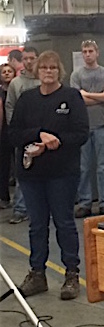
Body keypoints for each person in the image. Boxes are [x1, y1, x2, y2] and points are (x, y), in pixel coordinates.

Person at [9, 50, 89, 300]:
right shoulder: (26, 99)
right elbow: (13, 133)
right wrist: (38, 134)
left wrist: (57, 141)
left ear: (59, 71)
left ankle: (71, 274)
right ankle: (37, 273)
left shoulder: (71, 97)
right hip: (32, 174)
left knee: (64, 223)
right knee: (36, 225)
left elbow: (81, 133)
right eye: (44, 68)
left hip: (62, 173)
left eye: (53, 68)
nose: (48, 72)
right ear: (36, 71)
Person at [71, 40, 104, 218]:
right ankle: (85, 203)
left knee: (103, 167)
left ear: (97, 53)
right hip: (83, 127)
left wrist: (87, 95)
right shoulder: (76, 75)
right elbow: (77, 100)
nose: (87, 54)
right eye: (84, 51)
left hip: (103, 126)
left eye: (90, 51)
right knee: (84, 167)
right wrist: (101, 96)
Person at [5, 46, 40, 224]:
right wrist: (16, 129)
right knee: (22, 172)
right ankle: (20, 209)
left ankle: (41, 208)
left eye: (32, 58)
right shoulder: (16, 84)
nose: (28, 61)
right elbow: (9, 106)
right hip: (23, 135)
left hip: (43, 137)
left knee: (44, 173)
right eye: (25, 58)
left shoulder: (43, 82)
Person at [0, 63, 16, 209]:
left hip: (16, 131)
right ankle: (4, 196)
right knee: (4, 166)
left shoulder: (17, 89)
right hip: (3, 134)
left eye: (9, 71)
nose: (6, 73)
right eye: (3, 71)